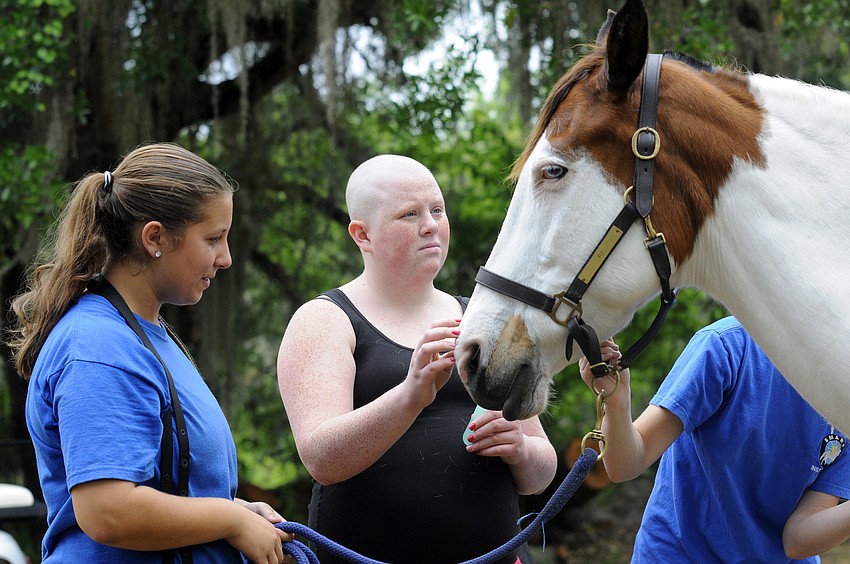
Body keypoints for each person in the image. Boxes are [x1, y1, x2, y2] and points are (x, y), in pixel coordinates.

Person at [8, 142, 292, 563]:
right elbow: (108, 512)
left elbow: (169, 491)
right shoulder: (98, 346)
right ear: (155, 237)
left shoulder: (146, 333)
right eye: (213, 238)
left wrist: (234, 512)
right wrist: (228, 520)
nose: (226, 258)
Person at [276, 154, 558, 563]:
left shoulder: (486, 318)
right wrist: (410, 395)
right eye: (409, 214)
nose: (430, 225)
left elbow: (541, 476)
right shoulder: (324, 320)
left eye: (437, 210)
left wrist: (521, 449)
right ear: (362, 235)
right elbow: (321, 459)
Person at [579, 316, 850, 563]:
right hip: (679, 554)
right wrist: (615, 401)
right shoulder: (728, 345)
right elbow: (627, 463)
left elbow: (797, 540)